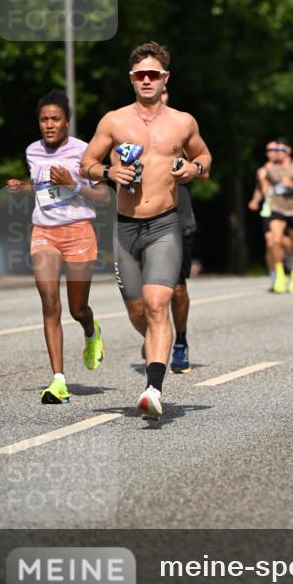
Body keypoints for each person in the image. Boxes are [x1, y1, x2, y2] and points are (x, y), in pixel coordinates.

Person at [80, 42, 212, 419]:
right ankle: (158, 343)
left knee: (158, 305)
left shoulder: (182, 122)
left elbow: (205, 157)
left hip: (164, 224)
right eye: (141, 75)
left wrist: (194, 170)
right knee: (138, 312)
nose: (148, 80)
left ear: (165, 78)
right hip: (124, 228)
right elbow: (86, 162)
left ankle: (153, 388)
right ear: (132, 80)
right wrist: (108, 173)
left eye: (154, 74)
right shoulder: (114, 121)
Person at [6, 89, 109, 404]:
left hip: (79, 232)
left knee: (77, 308)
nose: (49, 125)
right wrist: (25, 187)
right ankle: (58, 381)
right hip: (44, 232)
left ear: (67, 122)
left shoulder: (85, 151)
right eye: (43, 119)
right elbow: (43, 187)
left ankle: (92, 333)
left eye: (55, 119)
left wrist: (74, 184)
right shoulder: (32, 151)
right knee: (50, 301)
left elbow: (104, 197)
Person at [159, 86, 196, 373]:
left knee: (177, 289)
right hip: (140, 219)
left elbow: (203, 164)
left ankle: (180, 341)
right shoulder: (127, 128)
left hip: (178, 217)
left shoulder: (181, 127)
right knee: (145, 292)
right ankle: (156, 335)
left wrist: (191, 167)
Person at [261, 139, 293, 294]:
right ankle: (279, 274)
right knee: (275, 240)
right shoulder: (270, 167)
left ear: (288, 150)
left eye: (281, 149)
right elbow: (264, 185)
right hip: (277, 207)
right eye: (276, 149)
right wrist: (265, 189)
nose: (278, 152)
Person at [248, 142, 292, 291]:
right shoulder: (263, 170)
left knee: (286, 242)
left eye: (275, 149)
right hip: (269, 210)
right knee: (270, 242)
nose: (273, 152)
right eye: (270, 150)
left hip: (288, 209)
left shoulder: (286, 168)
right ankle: (275, 276)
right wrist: (255, 200)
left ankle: (291, 262)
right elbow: (260, 190)